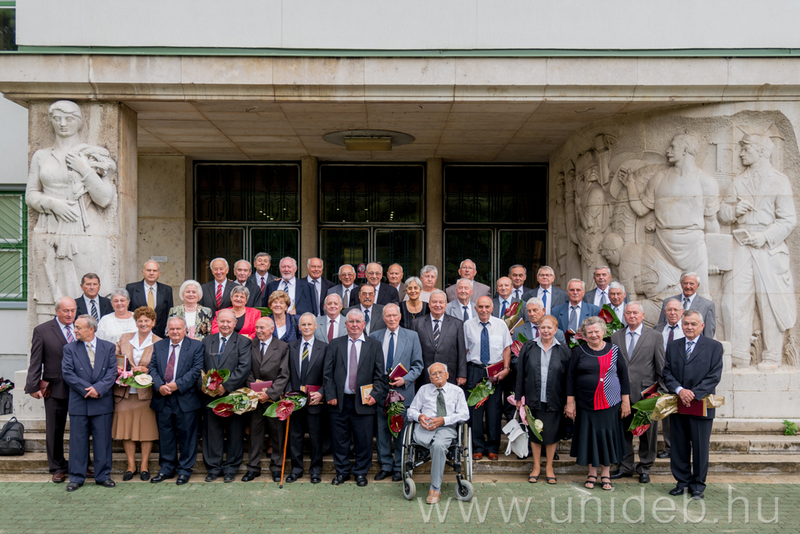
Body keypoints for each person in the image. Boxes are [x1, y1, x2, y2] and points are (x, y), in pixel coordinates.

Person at [26, 100, 116, 304]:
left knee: (90, 288)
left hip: (85, 227)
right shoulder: (41, 156)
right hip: (51, 227)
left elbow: (104, 198)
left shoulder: (92, 154)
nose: (62, 123)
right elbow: (30, 194)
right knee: (55, 293)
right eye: (57, 119)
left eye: (69, 118)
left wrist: (84, 168)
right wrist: (53, 204)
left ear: (79, 121)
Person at [719, 132, 796, 370]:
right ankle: (739, 353)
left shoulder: (779, 180)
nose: (741, 153)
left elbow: (788, 219)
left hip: (767, 248)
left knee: (769, 301)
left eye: (746, 149)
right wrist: (734, 211)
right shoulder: (738, 181)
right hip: (741, 246)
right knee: (733, 300)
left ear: (761, 151)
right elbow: (723, 214)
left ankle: (772, 355)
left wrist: (765, 236)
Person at [622, 133, 720, 294]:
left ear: (685, 150)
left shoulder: (707, 182)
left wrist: (713, 259)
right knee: (664, 295)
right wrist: (630, 185)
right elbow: (640, 209)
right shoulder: (659, 178)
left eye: (673, 147)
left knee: (701, 296)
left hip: (694, 246)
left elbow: (711, 222)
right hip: (663, 246)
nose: (668, 151)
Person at [565, 316, 631, 491]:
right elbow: (570, 378)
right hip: (586, 404)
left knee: (606, 439)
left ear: (604, 332)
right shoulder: (579, 351)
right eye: (590, 332)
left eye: (596, 331)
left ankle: (606, 474)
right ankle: (592, 473)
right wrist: (570, 403)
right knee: (590, 439)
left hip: (610, 404)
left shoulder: (614, 350)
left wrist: (625, 401)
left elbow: (624, 377)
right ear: (584, 335)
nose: (594, 335)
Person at [664, 310, 723, 500]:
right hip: (678, 404)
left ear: (702, 326)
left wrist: (693, 393)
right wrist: (680, 390)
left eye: (693, 324)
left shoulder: (714, 347)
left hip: (701, 404)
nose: (689, 327)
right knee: (679, 446)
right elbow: (667, 373)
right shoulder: (673, 346)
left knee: (700, 447)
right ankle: (682, 482)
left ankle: (698, 485)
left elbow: (714, 376)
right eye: (686, 324)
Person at [323, 309, 386, 487]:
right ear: (346, 324)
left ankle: (360, 472)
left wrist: (375, 395)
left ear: (364, 324)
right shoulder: (335, 344)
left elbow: (379, 375)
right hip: (339, 401)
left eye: (358, 321)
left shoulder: (374, 345)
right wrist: (330, 394)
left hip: (364, 401)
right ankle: (342, 472)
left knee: (363, 440)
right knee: (339, 440)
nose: (355, 325)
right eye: (351, 321)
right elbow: (327, 373)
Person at [609, 302, 665, 484]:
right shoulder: (616, 336)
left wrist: (660, 393)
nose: (631, 316)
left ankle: (645, 467)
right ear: (624, 315)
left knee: (648, 434)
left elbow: (661, 366)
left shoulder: (655, 336)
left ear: (643, 315)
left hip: (646, 394)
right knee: (623, 431)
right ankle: (625, 466)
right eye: (628, 313)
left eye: (635, 313)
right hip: (621, 393)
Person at [61, 315, 118, 491]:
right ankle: (76, 477)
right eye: (75, 327)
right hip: (80, 400)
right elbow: (68, 373)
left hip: (102, 400)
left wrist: (98, 389)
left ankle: (103, 476)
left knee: (103, 441)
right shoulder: (69, 348)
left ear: (91, 329)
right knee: (78, 441)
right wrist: (88, 389)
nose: (74, 330)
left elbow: (112, 371)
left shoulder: (108, 347)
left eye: (78, 327)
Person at [24, 297, 77, 482]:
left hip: (80, 388)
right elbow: (35, 360)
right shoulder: (43, 330)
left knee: (81, 429)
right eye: (65, 311)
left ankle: (80, 465)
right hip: (55, 387)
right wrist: (32, 385)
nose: (70, 314)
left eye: (72, 310)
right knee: (54, 429)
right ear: (57, 311)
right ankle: (57, 467)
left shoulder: (82, 327)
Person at [370, 303, 424, 482]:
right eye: (388, 316)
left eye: (394, 315)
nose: (392, 319)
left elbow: (418, 365)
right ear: (383, 318)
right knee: (382, 430)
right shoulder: (374, 336)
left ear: (400, 317)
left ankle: (400, 467)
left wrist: (405, 379)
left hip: (403, 390)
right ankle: (385, 465)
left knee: (401, 431)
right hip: (381, 390)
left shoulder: (412, 336)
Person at [148, 317, 205, 485]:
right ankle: (166, 468)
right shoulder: (159, 345)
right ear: (167, 330)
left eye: (178, 328)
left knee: (187, 436)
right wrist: (159, 386)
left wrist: (177, 385)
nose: (174, 332)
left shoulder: (195, 346)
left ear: (185, 329)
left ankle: (184, 470)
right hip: (163, 397)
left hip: (185, 398)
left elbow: (196, 370)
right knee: (166, 435)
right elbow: (152, 368)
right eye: (171, 329)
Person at [515, 315, 570, 484]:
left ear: (556, 330)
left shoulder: (563, 350)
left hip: (555, 398)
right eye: (543, 327)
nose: (546, 331)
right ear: (538, 329)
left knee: (552, 434)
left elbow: (569, 378)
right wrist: (519, 398)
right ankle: (536, 466)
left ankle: (549, 467)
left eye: (549, 327)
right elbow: (520, 374)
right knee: (535, 433)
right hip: (533, 398)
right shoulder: (528, 347)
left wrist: (569, 401)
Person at [407, 363, 470, 505]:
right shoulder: (423, 390)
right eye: (433, 374)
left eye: (440, 372)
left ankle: (435, 488)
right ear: (430, 378)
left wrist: (444, 420)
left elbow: (465, 414)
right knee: (431, 444)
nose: (437, 376)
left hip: (446, 427)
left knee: (438, 446)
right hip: (425, 427)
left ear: (447, 375)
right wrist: (419, 416)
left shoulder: (457, 391)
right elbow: (411, 411)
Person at [201, 309, 252, 483]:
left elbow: (244, 367)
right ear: (216, 322)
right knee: (212, 432)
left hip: (233, 395)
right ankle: (213, 468)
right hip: (210, 395)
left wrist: (225, 387)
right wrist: (205, 385)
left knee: (234, 432)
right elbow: (200, 366)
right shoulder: (207, 341)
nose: (225, 324)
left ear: (235, 323)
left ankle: (231, 468)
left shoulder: (244, 342)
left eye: (228, 322)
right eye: (222, 321)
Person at [112, 306, 161, 482]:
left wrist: (147, 370)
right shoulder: (125, 338)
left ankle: (144, 466)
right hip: (125, 392)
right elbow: (115, 358)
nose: (143, 323)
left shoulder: (159, 342)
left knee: (146, 430)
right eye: (140, 320)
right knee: (127, 430)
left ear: (153, 322)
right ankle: (131, 466)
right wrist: (120, 370)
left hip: (145, 393)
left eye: (147, 320)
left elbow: (161, 366)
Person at [243, 317, 291, 483]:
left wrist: (270, 394)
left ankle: (277, 467)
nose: (259, 331)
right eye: (257, 327)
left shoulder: (283, 347)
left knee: (277, 433)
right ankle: (253, 467)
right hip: (255, 398)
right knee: (255, 434)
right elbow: (247, 370)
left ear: (271, 329)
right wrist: (255, 392)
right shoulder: (251, 345)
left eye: (262, 327)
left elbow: (284, 374)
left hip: (274, 399)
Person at [464, 296, 512, 460]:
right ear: (475, 308)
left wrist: (506, 368)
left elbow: (506, 348)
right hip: (475, 370)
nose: (483, 310)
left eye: (487, 307)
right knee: (475, 410)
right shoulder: (468, 325)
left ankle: (492, 447)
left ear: (492, 308)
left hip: (495, 372)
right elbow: (465, 350)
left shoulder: (501, 324)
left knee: (494, 410)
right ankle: (477, 446)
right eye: (480, 307)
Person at [285, 313, 327, 483]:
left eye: (310, 324)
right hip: (295, 401)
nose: (307, 327)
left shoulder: (324, 347)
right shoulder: (291, 347)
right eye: (303, 325)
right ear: (299, 327)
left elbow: (328, 375)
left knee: (316, 438)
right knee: (295, 437)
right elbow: (286, 373)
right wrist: (289, 395)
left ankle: (316, 470)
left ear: (315, 326)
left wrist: (322, 392)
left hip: (315, 401)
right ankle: (296, 469)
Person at [413, 290, 467, 387]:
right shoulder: (416, 324)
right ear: (429, 304)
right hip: (424, 375)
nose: (438, 305)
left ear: (446, 304)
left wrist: (461, 374)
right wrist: (412, 375)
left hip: (449, 374)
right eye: (434, 302)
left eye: (441, 302)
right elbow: (412, 351)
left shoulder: (457, 324)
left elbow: (461, 351)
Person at [654, 298, 685, 460]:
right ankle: (670, 447)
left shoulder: (687, 328)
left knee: (683, 415)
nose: (672, 313)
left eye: (676, 310)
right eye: (669, 310)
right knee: (667, 415)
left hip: (683, 378)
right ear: (665, 312)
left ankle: (684, 448)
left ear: (682, 312)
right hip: (662, 377)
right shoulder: (657, 329)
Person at [657, 272, 716, 338]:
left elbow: (708, 333)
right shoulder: (668, 302)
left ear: (697, 285)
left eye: (691, 284)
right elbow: (660, 326)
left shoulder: (707, 305)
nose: (688, 286)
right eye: (685, 283)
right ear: (681, 284)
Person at [127, 260, 174, 338]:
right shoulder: (131, 288)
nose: (151, 273)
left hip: (160, 336)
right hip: (137, 334)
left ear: (159, 273)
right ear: (143, 272)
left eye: (154, 271)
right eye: (148, 270)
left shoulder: (167, 290)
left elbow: (169, 313)